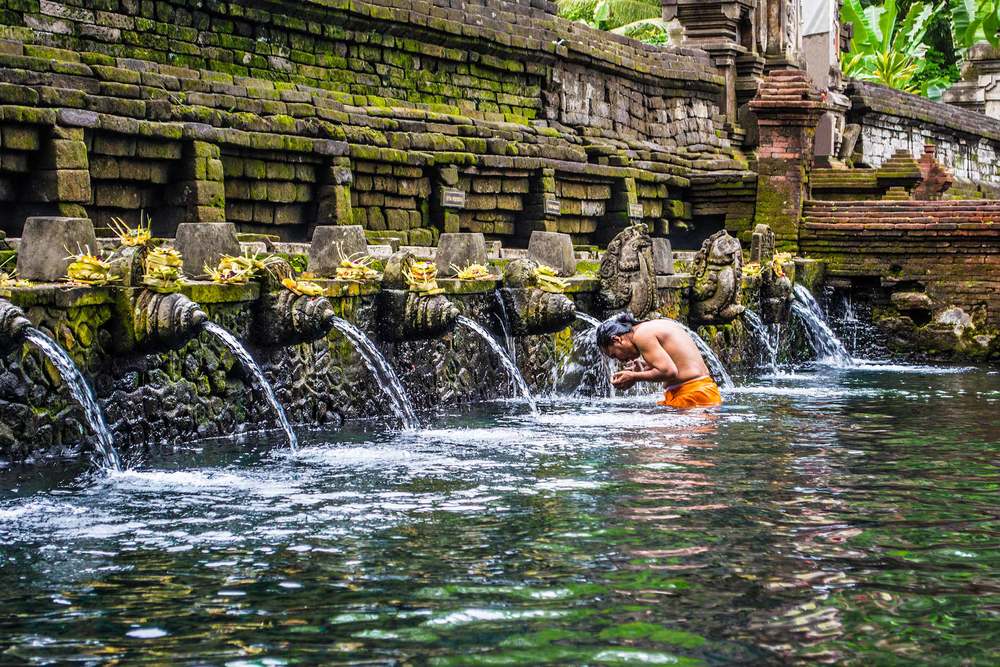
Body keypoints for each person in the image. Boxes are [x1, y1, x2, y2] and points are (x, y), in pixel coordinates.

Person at [596, 313, 722, 409]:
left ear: (617, 340)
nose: (620, 360)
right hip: (701, 392)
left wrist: (634, 376)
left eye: (614, 355)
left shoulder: (642, 335)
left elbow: (669, 371)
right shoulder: (652, 326)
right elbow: (678, 363)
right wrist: (646, 367)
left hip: (693, 396)